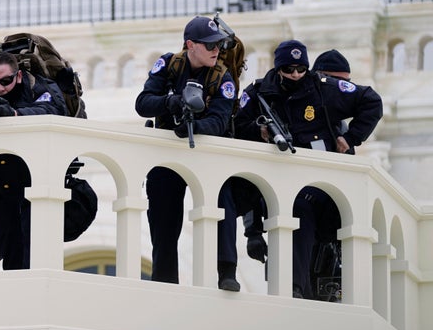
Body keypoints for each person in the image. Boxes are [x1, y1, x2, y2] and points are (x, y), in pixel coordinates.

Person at [233, 39, 383, 298]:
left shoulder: (322, 90)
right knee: (297, 214)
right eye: (288, 70)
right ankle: (295, 291)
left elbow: (371, 101)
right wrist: (253, 231)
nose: (295, 75)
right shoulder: (259, 93)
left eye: (300, 70)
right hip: (284, 190)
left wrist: (351, 138)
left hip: (327, 191)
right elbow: (235, 133)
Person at [135, 16, 238, 288]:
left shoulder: (221, 77)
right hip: (168, 152)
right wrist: (172, 103)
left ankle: (227, 272)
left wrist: (195, 125)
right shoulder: (169, 65)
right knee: (163, 216)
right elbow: (143, 103)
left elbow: (220, 120)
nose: (216, 50)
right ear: (190, 45)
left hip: (205, 151)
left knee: (221, 201)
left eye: (218, 45)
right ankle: (165, 279)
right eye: (209, 46)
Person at [0, 50, 68, 270]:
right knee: (11, 257)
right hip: (0, 187)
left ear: (18, 76)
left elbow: (53, 109)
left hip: (34, 184)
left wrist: (14, 114)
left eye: (5, 81)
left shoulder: (38, 86)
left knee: (36, 255)